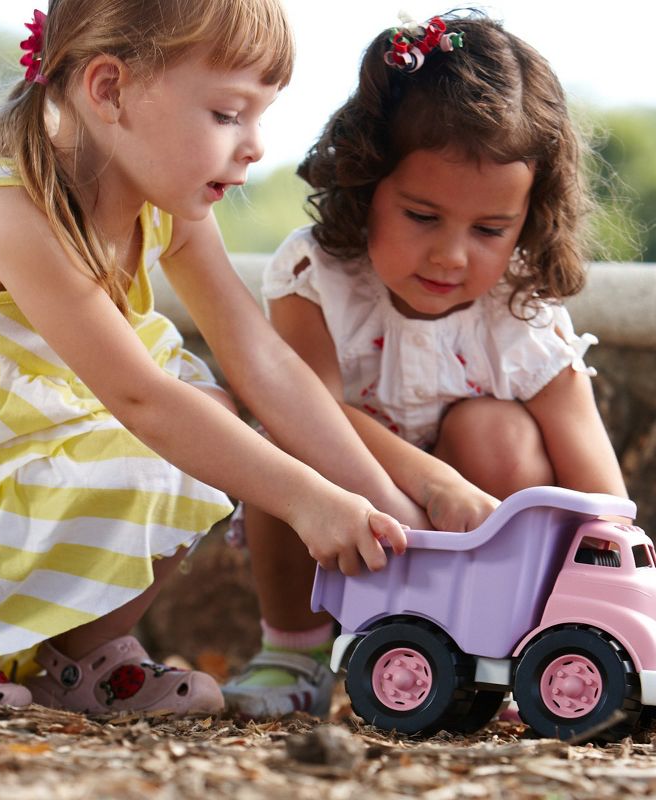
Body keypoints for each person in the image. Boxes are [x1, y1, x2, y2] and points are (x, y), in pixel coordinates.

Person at [0, 0, 463, 715]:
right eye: (229, 114)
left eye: (260, 116)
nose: (256, 145)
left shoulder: (163, 210)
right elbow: (142, 400)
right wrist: (304, 502)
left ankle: (77, 661)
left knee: (210, 417)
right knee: (177, 427)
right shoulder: (12, 217)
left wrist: (384, 506)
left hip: (13, 481)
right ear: (108, 90)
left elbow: (260, 359)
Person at [222, 10, 629, 719]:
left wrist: (614, 613)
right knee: (282, 440)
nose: (451, 254)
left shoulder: (521, 314)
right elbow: (301, 407)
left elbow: (600, 492)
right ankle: (294, 649)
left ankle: (496, 651)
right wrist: (429, 483)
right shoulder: (318, 276)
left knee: (497, 432)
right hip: (342, 518)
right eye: (421, 216)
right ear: (364, 180)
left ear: (529, 219)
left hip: (481, 562)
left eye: (489, 230)